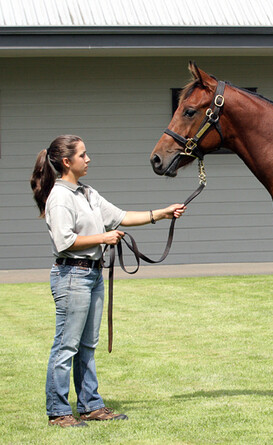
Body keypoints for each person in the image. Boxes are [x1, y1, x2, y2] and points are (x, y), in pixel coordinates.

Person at [30, 135, 186, 428]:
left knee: (87, 344)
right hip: (72, 275)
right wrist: (103, 237)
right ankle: (58, 411)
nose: (88, 159)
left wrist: (162, 214)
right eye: (83, 155)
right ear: (67, 162)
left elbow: (121, 217)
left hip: (91, 274)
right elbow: (64, 241)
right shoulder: (60, 197)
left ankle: (90, 405)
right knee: (66, 346)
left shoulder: (87, 193)